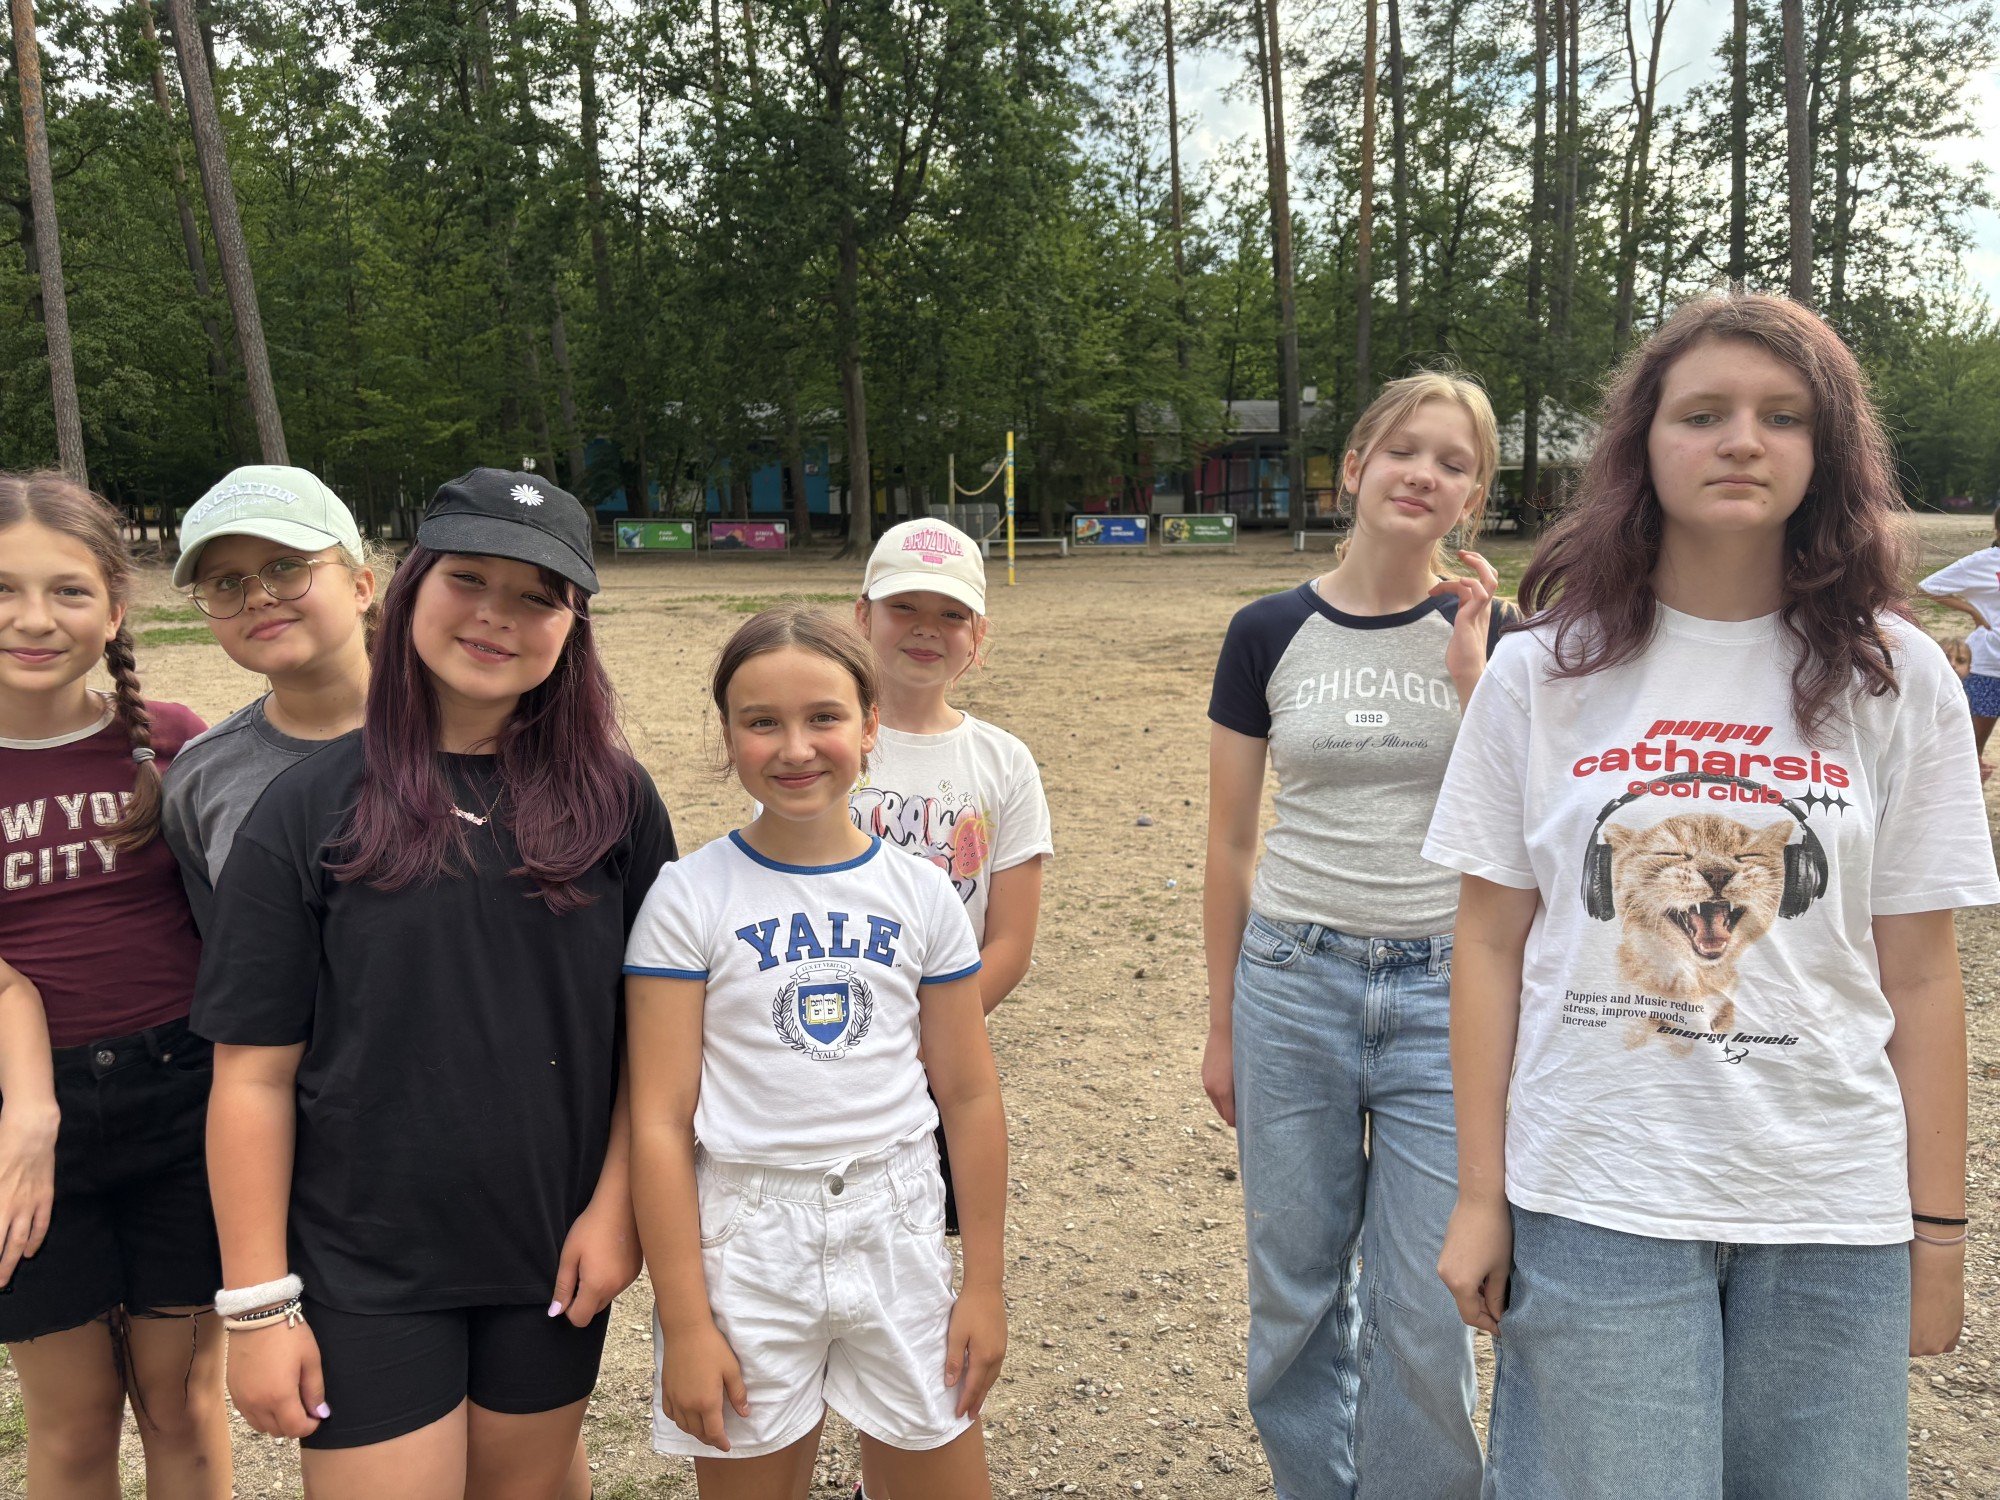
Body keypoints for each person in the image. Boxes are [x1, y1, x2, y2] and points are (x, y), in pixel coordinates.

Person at [1428, 293, 1998, 1499]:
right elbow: (1485, 946)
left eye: (1780, 416)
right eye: (1701, 414)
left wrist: (1937, 1236)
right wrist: (1479, 1194)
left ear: (1824, 451)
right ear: (1641, 444)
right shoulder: (1541, 670)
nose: (1741, 439)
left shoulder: (1896, 678)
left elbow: (1918, 975)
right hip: (1595, 1191)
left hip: (1829, 1206)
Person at [194, 469, 676, 1500]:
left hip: (549, 1251)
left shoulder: (618, 802)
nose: (497, 615)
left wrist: (617, 1210)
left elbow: (656, 1044)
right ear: (411, 586)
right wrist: (259, 1305)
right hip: (362, 1263)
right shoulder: (306, 807)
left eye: (537, 596)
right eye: (469, 579)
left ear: (573, 628)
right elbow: (251, 1076)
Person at [1202, 371, 1511, 1499]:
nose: (1423, 474)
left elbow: (1527, 830)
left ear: (1473, 497)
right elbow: (1230, 842)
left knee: (1431, 1301)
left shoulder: (1499, 637)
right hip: (1292, 981)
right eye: (1403, 450)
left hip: (1447, 992)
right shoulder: (1266, 630)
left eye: (1453, 462)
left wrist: (1479, 682)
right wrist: (1221, 1023)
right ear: (1354, 468)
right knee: (1292, 1289)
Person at [625, 605, 1007, 1500]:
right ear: (728, 736)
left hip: (896, 1221)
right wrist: (687, 1321)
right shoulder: (688, 897)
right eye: (762, 721)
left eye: (823, 717)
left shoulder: (922, 896)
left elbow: (968, 1096)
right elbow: (659, 1121)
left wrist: (984, 1286)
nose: (795, 748)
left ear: (870, 726)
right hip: (749, 1240)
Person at [0, 471, 231, 1497]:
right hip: (21, 1125)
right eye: (3, 590)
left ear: (116, 608)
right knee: (74, 1425)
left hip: (184, 1100)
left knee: (184, 1408)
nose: (33, 619)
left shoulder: (175, 741)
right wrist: (29, 1107)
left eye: (68, 590)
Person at [846, 520, 1050, 1500]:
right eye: (904, 608)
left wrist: (932, 1036)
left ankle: (894, 1458)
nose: (925, 630)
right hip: (831, 1058)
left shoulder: (1001, 762)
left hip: (934, 1067)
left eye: (949, 615)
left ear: (980, 636)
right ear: (862, 616)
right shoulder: (826, 736)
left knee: (915, 1270)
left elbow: (1008, 938)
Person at [161, 465, 379, 933]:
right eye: (226, 582)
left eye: (285, 566)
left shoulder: (468, 730)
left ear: (360, 586)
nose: (258, 596)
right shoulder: (200, 780)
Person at [1917, 506, 2000, 777]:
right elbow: (1928, 587)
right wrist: (1973, 611)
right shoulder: (1983, 562)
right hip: (1989, 666)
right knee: (1970, 751)